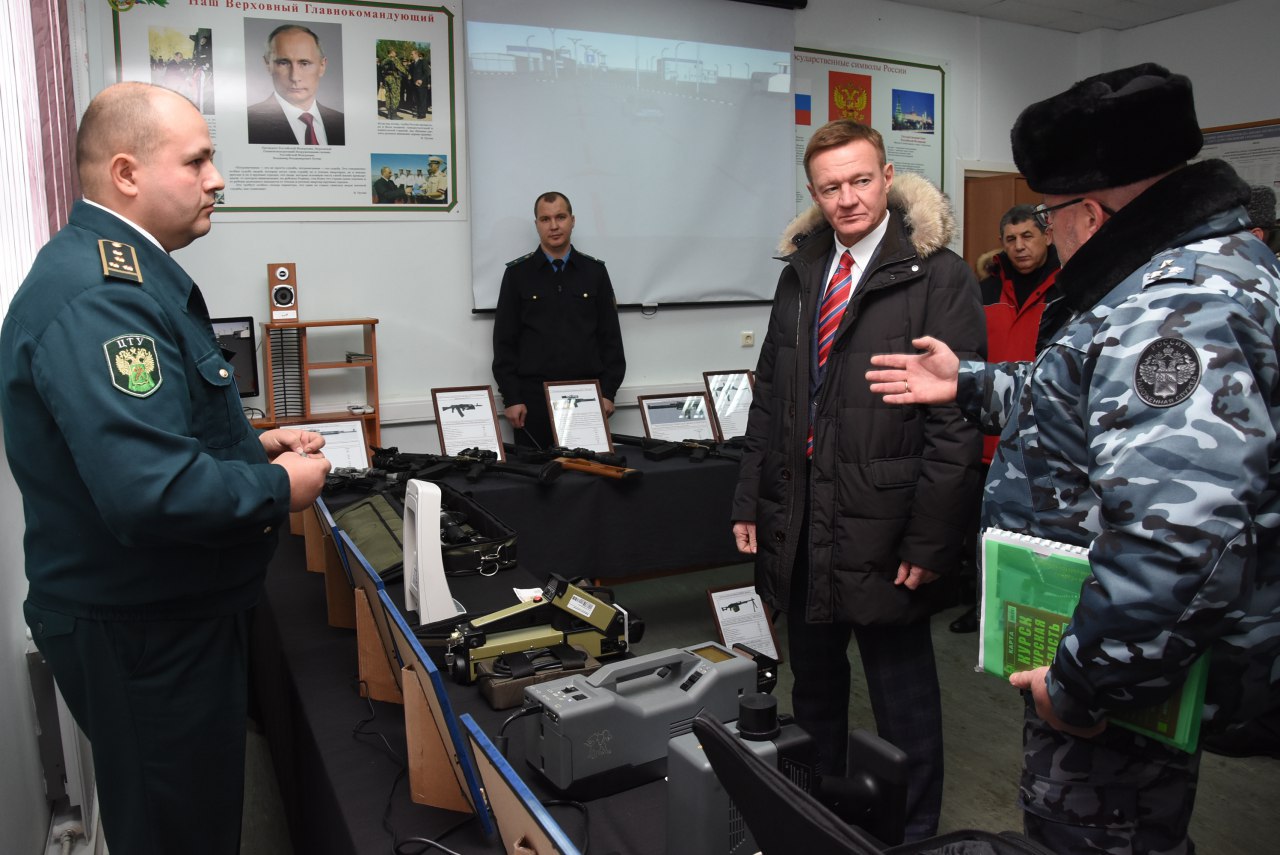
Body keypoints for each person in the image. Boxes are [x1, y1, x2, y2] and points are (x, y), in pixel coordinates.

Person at [866, 63, 1280, 854]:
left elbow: (1179, 540)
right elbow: (1089, 406)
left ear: (1088, 213)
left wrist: (1079, 685)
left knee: (1097, 836)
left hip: (1119, 675)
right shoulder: (1202, 266)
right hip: (1136, 656)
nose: (1044, 233)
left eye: (1050, 215)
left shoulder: (1172, 309)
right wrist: (971, 382)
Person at [0, 82, 332, 855]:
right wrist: (281, 487)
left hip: (160, 615)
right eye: (198, 159)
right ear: (126, 173)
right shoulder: (101, 299)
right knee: (175, 832)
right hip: (145, 629)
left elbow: (163, 432)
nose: (217, 177)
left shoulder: (121, 274)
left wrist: (254, 449)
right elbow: (151, 491)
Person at [730, 119, 984, 842]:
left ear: (887, 175)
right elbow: (773, 395)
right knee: (814, 693)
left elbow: (958, 425)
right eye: (830, 186)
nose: (847, 198)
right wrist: (752, 496)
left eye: (860, 180)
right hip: (804, 525)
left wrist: (932, 540)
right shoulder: (801, 272)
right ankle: (819, 819)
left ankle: (914, 835)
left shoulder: (939, 275)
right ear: (813, 193)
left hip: (890, 530)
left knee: (904, 706)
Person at [950, 204, 1062, 634]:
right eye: (1011, 239)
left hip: (1038, 435)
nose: (1020, 246)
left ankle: (1032, 613)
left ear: (1046, 237)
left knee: (1036, 536)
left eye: (1028, 236)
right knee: (979, 534)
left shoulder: (1066, 289)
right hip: (983, 436)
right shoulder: (985, 291)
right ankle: (981, 609)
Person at [492, 191, 626, 449]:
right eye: (545, 219)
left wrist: (608, 392)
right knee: (536, 483)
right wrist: (511, 398)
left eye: (560, 217)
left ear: (572, 220)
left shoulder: (594, 272)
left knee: (589, 480)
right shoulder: (517, 275)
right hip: (532, 402)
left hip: (587, 396)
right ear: (537, 225)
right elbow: (504, 342)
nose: (554, 226)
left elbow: (611, 338)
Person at [248, 24, 345, 145]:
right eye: (283, 63)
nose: (294, 77)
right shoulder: (247, 123)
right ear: (268, 65)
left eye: (304, 63)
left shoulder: (343, 123)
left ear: (322, 66)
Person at [380, 48, 407, 120]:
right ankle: (394, 115)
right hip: (393, 79)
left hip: (386, 79)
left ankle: (389, 114)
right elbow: (401, 68)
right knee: (395, 96)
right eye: (395, 52)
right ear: (391, 53)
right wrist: (408, 75)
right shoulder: (394, 59)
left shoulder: (384, 60)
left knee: (388, 95)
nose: (396, 54)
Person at [409, 47, 431, 119]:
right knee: (416, 99)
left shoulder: (423, 62)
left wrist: (421, 80)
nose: (411, 55)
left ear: (416, 54)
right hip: (414, 85)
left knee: (422, 99)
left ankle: (422, 114)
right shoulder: (412, 64)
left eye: (412, 54)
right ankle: (418, 113)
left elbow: (427, 72)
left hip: (421, 84)